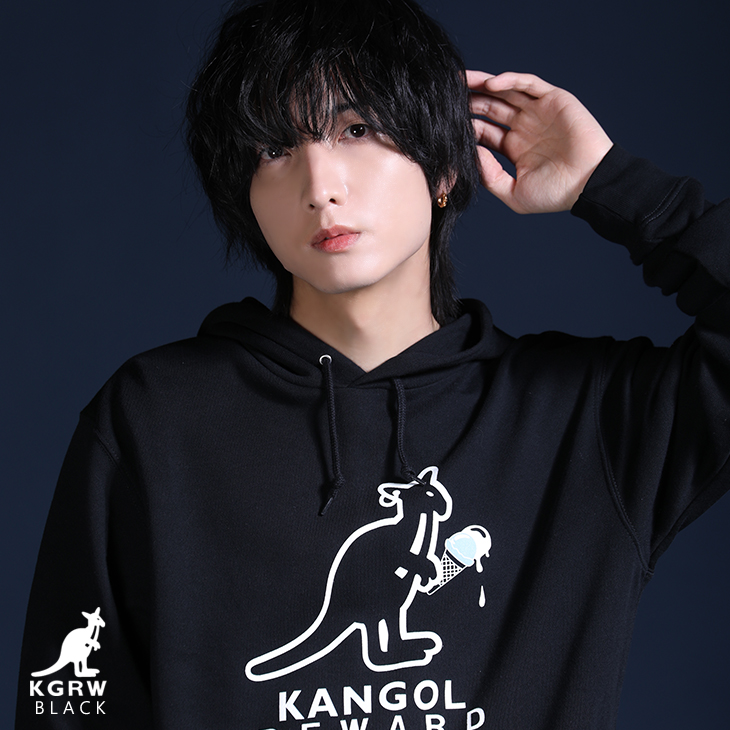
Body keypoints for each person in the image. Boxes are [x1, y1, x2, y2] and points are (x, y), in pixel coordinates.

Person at [16, 0, 729, 727]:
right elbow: (65, 706)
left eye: (357, 130)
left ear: (444, 165)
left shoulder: (585, 420)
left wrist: (613, 183)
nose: (319, 186)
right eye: (274, 148)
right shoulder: (156, 417)